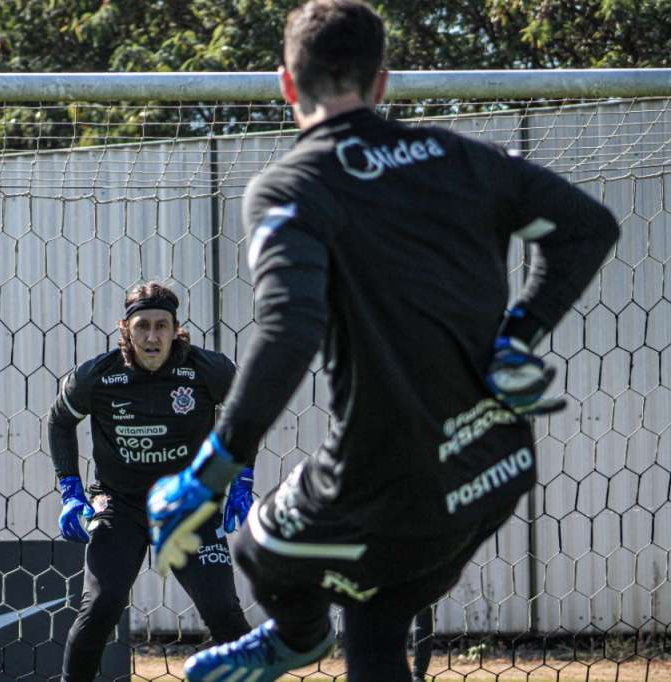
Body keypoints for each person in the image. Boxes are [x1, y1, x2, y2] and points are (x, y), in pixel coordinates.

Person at [145, 2, 620, 681]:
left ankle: (300, 637)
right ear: (381, 83)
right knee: (375, 622)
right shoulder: (467, 157)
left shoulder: (294, 185)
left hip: (382, 480)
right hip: (493, 467)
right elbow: (590, 227)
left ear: (285, 85)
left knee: (255, 548)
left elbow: (289, 329)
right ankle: (322, 634)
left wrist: (210, 469)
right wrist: (519, 332)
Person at [48, 281, 254, 682]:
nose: (152, 336)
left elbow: (248, 414)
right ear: (125, 329)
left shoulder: (207, 370)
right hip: (120, 506)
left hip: (188, 506)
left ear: (177, 329)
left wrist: (242, 480)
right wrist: (70, 490)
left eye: (162, 326)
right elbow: (60, 421)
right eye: (143, 326)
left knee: (223, 612)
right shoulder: (97, 376)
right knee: (100, 607)